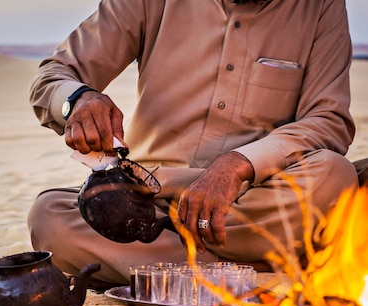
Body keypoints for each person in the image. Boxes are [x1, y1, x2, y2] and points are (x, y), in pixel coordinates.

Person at [28, 0, 359, 285]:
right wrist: (79, 99)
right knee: (49, 216)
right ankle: (242, 267)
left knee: (334, 174)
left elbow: (327, 120)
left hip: (249, 201)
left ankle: (154, 263)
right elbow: (54, 76)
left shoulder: (320, 7)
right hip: (146, 205)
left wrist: (239, 164)